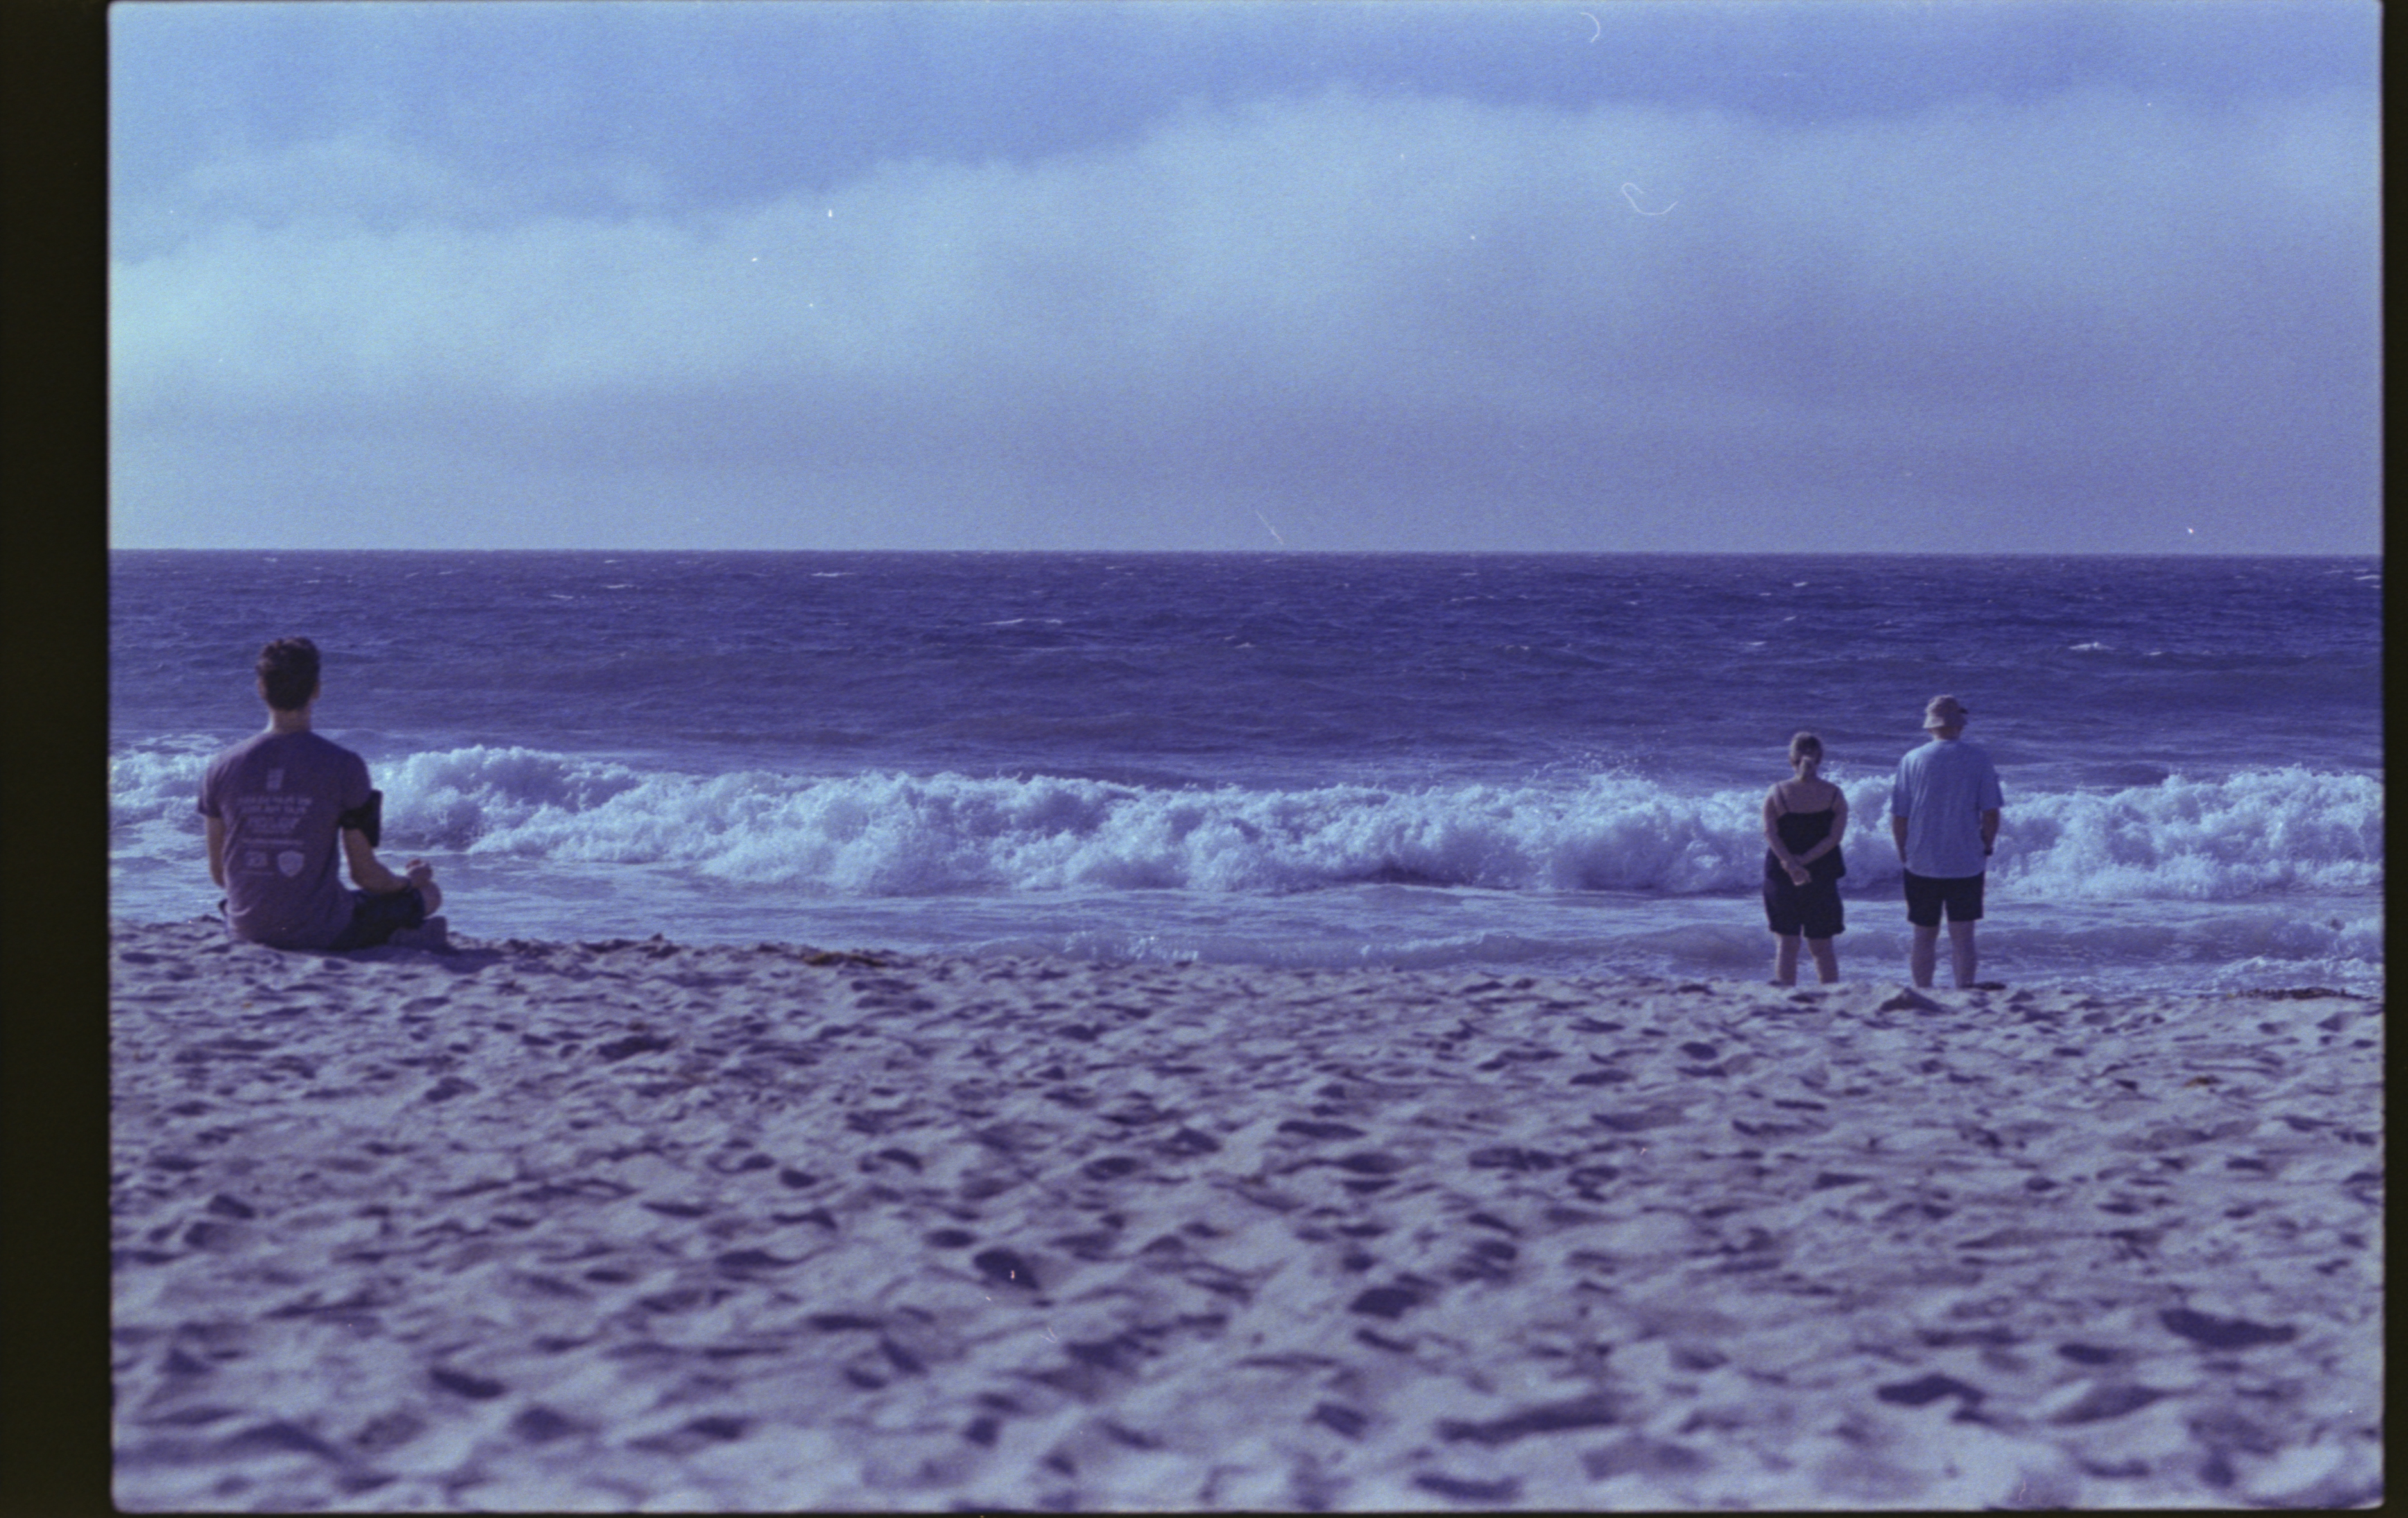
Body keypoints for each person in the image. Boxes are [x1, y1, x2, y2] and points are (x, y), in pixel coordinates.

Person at [199, 637, 445, 951]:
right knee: (430, 895)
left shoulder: (221, 767)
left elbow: (222, 876)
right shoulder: (344, 766)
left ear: (261, 688)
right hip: (321, 931)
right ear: (317, 689)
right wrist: (411, 881)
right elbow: (365, 875)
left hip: (246, 926)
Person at [1889, 694, 2002, 989]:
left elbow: (1899, 816)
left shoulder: (1911, 760)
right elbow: (1991, 813)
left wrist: (1904, 850)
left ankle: (1923, 991)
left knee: (1923, 934)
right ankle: (1963, 991)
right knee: (1963, 935)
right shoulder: (1978, 758)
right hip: (1966, 861)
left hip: (1922, 859)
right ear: (1959, 725)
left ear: (1930, 727)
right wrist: (1986, 846)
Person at [1762, 731, 1847, 985]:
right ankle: (1830, 996)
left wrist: (1790, 863)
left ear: (1791, 759)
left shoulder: (1777, 792)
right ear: (1819, 759)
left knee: (1787, 944)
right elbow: (1834, 838)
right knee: (1822, 947)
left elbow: (1770, 832)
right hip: (1821, 875)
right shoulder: (1834, 794)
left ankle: (1786, 998)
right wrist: (1807, 860)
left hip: (1782, 874)